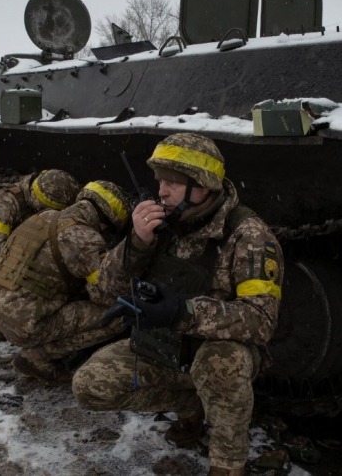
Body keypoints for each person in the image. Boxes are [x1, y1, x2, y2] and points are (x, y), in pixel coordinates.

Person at [71, 133, 284, 476]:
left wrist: (184, 313)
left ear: (203, 186)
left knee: (222, 362)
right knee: (90, 386)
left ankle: (228, 464)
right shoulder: (163, 224)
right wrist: (136, 243)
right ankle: (194, 406)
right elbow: (105, 289)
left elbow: (261, 320)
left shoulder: (248, 235)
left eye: (172, 182)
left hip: (214, 354)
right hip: (165, 348)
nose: (162, 192)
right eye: (159, 181)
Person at [0, 180, 133, 383]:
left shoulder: (45, 215)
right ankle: (37, 357)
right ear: (105, 222)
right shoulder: (86, 239)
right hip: (24, 324)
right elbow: (105, 297)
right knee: (116, 317)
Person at [0, 169, 81, 285]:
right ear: (38, 200)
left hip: (8, 248)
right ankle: (3, 300)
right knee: (37, 275)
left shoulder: (29, 195)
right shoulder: (2, 204)